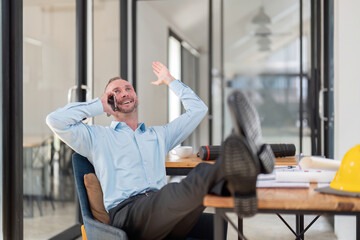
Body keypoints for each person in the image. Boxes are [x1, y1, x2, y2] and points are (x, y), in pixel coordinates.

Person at [46, 62, 272, 240]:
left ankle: (243, 179)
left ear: (136, 97)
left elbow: (198, 109)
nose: (124, 93)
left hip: (164, 216)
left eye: (128, 88)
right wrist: (99, 104)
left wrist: (171, 80)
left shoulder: (158, 135)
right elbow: (55, 121)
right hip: (129, 216)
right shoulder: (96, 137)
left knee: (202, 192)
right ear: (109, 104)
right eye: (115, 92)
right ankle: (251, 162)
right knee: (198, 174)